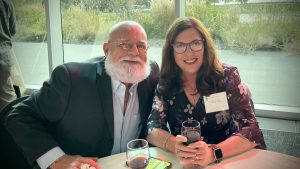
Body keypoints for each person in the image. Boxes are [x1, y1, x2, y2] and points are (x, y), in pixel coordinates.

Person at [4, 21, 159, 169]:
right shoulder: (71, 79)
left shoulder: (150, 75)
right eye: (125, 44)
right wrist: (56, 158)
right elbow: (19, 115)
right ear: (106, 49)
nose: (134, 52)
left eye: (141, 46)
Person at [146, 16, 266, 167]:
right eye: (180, 45)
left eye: (195, 43)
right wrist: (173, 144)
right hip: (188, 162)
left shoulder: (227, 77)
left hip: (229, 158)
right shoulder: (166, 83)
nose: (189, 53)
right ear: (171, 50)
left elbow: (251, 130)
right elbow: (152, 129)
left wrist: (212, 152)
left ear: (205, 45)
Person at [0, 0, 25, 110]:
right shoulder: (7, 3)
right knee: (7, 96)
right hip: (4, 54)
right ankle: (11, 123)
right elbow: (13, 30)